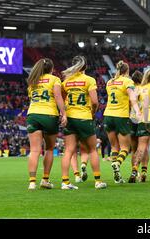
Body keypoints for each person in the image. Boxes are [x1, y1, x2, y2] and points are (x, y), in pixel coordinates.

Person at [60, 56, 107, 190]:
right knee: (92, 149)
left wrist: (64, 113)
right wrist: (93, 112)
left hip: (70, 117)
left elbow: (62, 99)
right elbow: (95, 102)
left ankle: (65, 182)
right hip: (84, 117)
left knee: (68, 150)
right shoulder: (89, 80)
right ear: (85, 67)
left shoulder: (66, 81)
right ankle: (98, 181)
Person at [26, 58, 67, 190]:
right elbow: (57, 96)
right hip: (49, 115)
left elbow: (31, 98)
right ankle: (45, 180)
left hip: (33, 115)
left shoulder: (32, 81)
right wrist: (64, 113)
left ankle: (32, 182)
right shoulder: (54, 79)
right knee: (49, 149)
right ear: (51, 69)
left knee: (34, 150)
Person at [103, 61, 141, 184]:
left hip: (108, 115)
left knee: (114, 147)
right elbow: (132, 97)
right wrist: (137, 111)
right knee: (125, 147)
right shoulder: (128, 81)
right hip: (121, 116)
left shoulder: (109, 82)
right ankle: (117, 163)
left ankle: (117, 176)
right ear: (127, 71)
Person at [129, 69, 150, 183]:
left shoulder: (137, 89)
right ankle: (148, 172)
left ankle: (135, 170)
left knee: (138, 148)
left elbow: (132, 101)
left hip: (135, 119)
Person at [128, 70, 142, 182]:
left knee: (134, 149)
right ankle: (143, 172)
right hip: (142, 119)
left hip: (132, 119)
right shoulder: (144, 89)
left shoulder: (131, 90)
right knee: (143, 147)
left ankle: (134, 171)